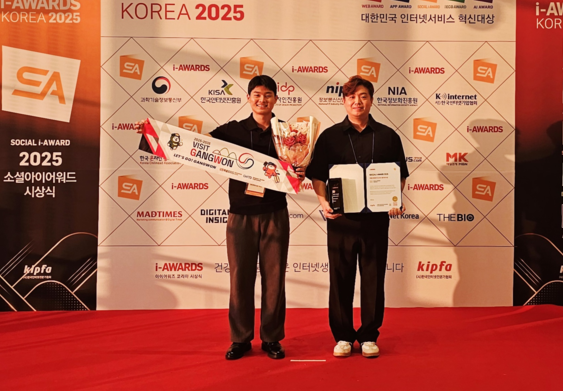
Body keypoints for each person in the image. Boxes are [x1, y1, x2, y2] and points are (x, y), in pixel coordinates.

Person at [136, 75, 304, 360]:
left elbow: (301, 166)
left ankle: (272, 338)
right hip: (240, 215)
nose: (262, 100)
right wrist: (153, 134)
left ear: (276, 99)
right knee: (240, 278)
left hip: (275, 213)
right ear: (248, 98)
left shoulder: (288, 134)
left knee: (275, 280)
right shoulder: (233, 130)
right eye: (256, 94)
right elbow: (194, 146)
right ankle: (240, 339)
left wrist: (300, 170)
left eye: (268, 95)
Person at [306, 76, 408, 358]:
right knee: (340, 278)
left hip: (376, 221)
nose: (357, 102)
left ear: (371, 100)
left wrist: (394, 200)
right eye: (351, 97)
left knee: (373, 279)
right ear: (344, 101)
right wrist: (323, 202)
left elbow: (399, 175)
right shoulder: (330, 137)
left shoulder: (388, 136)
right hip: (341, 221)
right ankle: (342, 336)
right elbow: (317, 176)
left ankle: (369, 336)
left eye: (363, 96)